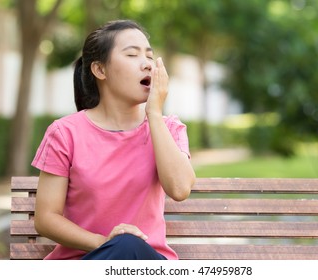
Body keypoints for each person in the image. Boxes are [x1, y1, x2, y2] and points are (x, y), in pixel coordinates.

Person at [31, 19, 196, 260]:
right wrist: (104, 242)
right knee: (123, 246)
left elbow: (180, 189)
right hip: (86, 262)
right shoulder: (65, 133)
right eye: (132, 55)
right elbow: (46, 219)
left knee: (130, 246)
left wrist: (154, 114)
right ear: (100, 70)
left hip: (146, 263)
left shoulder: (168, 127)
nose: (147, 65)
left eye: (149, 56)